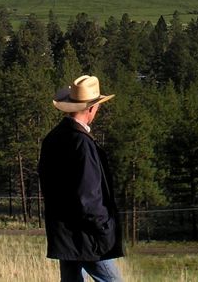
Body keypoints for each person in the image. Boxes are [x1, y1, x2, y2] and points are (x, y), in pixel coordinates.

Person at [41, 75, 130, 281]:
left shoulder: (52, 138)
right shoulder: (82, 143)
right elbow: (88, 196)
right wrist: (104, 226)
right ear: (91, 109)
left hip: (64, 234)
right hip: (88, 236)